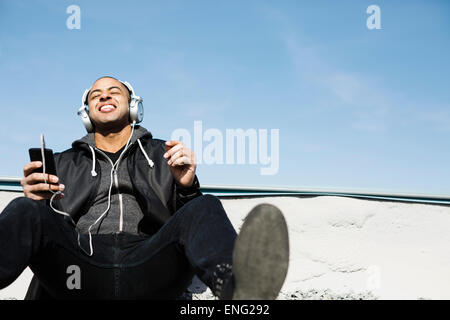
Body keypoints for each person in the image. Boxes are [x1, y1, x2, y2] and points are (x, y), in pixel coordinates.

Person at [0, 76, 289, 300]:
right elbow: (50, 231)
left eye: (114, 91)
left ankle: (239, 289)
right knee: (24, 208)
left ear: (134, 106)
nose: (104, 95)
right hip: (78, 266)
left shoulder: (165, 153)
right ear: (86, 112)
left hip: (149, 262)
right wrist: (37, 201)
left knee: (205, 204)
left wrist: (187, 186)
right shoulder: (62, 162)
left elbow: (190, 227)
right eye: (95, 94)